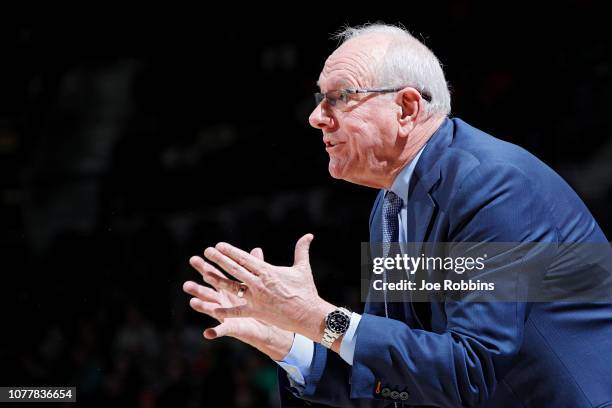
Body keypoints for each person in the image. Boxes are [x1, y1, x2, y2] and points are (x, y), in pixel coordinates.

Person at [182, 24, 612, 407]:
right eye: (319, 99)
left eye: (339, 98)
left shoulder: (494, 186)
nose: (315, 117)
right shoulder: (392, 204)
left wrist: (315, 317)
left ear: (406, 108)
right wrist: (287, 341)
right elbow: (399, 376)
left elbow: (470, 371)